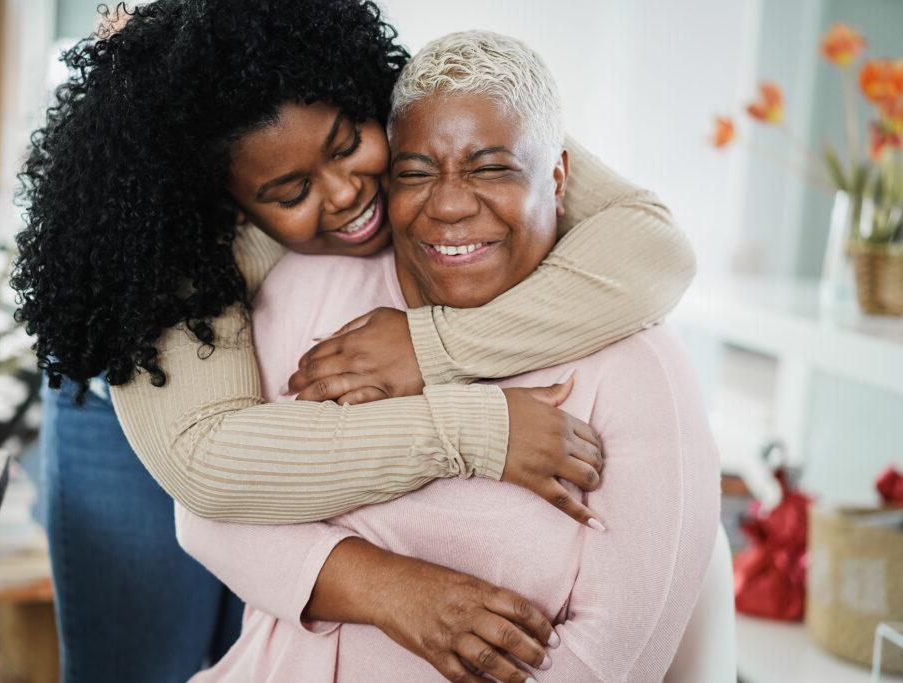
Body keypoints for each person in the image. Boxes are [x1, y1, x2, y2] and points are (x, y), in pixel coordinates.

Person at [12, 0, 695, 679]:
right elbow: (208, 468)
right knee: (136, 663)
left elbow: (655, 246)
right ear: (228, 206)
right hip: (153, 409)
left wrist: (430, 347)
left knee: (272, 630)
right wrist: (478, 429)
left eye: (347, 146)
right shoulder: (167, 245)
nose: (345, 193)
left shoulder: (407, 110)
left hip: (282, 383)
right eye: (291, 189)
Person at [175, 30, 720, 682]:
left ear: (558, 177)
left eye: (491, 168)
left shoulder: (638, 370)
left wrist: (430, 349)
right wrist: (397, 592)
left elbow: (607, 660)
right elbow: (209, 509)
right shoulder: (308, 291)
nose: (452, 203)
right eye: (416, 173)